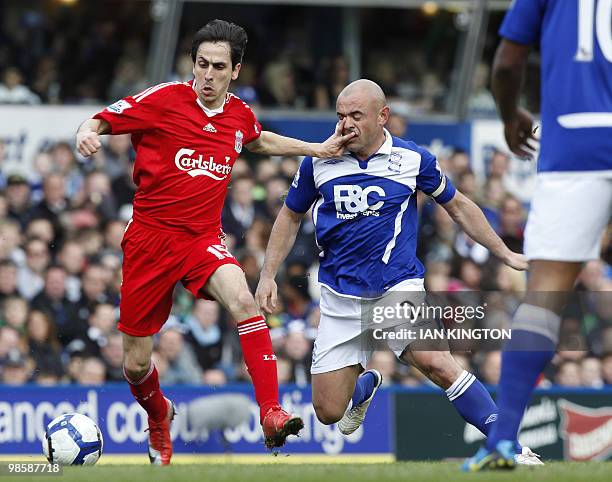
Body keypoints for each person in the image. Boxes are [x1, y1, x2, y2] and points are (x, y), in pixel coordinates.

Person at [75, 19, 353, 465]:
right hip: (149, 240)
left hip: (201, 239)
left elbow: (258, 141)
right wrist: (86, 133)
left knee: (244, 300)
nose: (207, 74)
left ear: (235, 70)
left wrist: (316, 149)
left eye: (217, 67)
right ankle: (159, 414)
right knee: (135, 365)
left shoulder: (239, 114)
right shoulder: (165, 100)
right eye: (201, 64)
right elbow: (101, 119)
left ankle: (271, 412)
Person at [255, 79, 539, 465]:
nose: (345, 125)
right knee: (328, 412)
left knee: (435, 361)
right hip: (340, 297)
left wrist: (504, 252)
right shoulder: (318, 159)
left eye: (356, 115)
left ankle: (510, 446)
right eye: (340, 116)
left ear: (382, 116)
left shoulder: (413, 159)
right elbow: (289, 216)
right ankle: (362, 388)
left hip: (396, 287)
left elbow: (458, 207)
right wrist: (268, 274)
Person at [464, 0, 612, 471]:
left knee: (544, 297)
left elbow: (508, 63)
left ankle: (503, 438)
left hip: (574, 143)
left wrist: (510, 114)